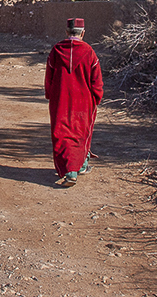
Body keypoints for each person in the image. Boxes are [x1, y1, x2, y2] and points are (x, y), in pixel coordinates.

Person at [45, 17, 103, 187]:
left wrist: (49, 94)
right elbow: (96, 80)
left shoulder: (56, 50)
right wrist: (97, 97)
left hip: (60, 99)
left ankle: (75, 167)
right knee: (81, 131)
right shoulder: (89, 52)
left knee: (62, 132)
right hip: (84, 101)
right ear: (83, 33)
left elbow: (49, 77)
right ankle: (75, 170)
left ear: (66, 32)